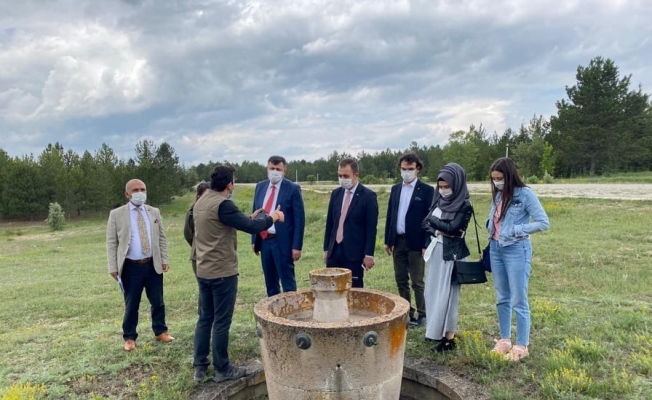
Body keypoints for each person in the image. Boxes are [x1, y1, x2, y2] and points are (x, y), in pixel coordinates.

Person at [192, 165, 285, 383]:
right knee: (221, 321)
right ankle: (222, 369)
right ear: (230, 184)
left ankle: (200, 365)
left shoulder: (201, 201)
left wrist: (249, 217)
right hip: (222, 271)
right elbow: (252, 227)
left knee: (205, 318)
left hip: (204, 269)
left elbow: (223, 223)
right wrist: (273, 217)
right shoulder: (224, 204)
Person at [487, 157, 549, 361]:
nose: (497, 182)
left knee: (518, 299)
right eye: (494, 178)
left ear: (509, 176)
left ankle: (522, 345)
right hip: (496, 248)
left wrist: (517, 229)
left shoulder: (525, 194)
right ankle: (504, 340)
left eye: (500, 178)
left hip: (516, 249)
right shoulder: (498, 195)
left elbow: (543, 222)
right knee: (502, 297)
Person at [107, 179, 174, 352]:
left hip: (152, 264)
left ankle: (160, 331)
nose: (140, 193)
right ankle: (129, 337)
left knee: (158, 301)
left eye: (142, 189)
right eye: (135, 190)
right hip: (130, 267)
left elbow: (161, 238)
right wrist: (113, 267)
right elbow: (112, 242)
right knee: (132, 304)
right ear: (127, 194)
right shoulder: (117, 214)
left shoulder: (154, 212)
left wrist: (164, 259)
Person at [421, 163, 473, 352]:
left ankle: (449, 338)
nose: (443, 190)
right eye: (440, 186)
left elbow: (453, 228)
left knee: (448, 296)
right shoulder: (439, 200)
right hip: (436, 251)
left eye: (447, 186)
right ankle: (435, 331)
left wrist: (433, 222)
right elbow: (425, 225)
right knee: (433, 292)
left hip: (452, 255)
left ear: (457, 184)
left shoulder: (464, 205)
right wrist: (438, 229)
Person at [384, 152, 435, 328]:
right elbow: (390, 215)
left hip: (416, 242)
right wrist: (388, 239)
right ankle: (406, 312)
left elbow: (430, 219)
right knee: (401, 279)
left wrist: (426, 243)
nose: (406, 172)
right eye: (403, 169)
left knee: (417, 281)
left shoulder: (426, 190)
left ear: (417, 169)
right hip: (398, 240)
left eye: (410, 169)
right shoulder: (395, 189)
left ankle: (423, 314)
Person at [251, 156, 306, 297]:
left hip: (282, 242)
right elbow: (255, 213)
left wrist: (296, 246)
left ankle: (291, 309)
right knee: (270, 283)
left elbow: (299, 219)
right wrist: (254, 239)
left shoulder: (292, 189)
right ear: (267, 168)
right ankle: (272, 309)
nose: (274, 172)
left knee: (288, 284)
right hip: (264, 240)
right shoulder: (260, 186)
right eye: (272, 168)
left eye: (278, 169)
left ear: (284, 170)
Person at [323, 158, 378, 288]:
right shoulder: (336, 194)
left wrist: (368, 254)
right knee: (332, 289)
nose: (342, 179)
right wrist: (326, 249)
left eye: (346, 176)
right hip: (334, 251)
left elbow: (371, 228)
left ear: (356, 175)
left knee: (353, 290)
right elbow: (330, 223)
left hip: (354, 253)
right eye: (340, 176)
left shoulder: (368, 196)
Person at [184, 181, 211, 314]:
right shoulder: (192, 213)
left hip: (214, 256)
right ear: (199, 196)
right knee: (204, 289)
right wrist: (198, 246)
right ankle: (203, 317)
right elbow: (188, 234)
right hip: (198, 256)